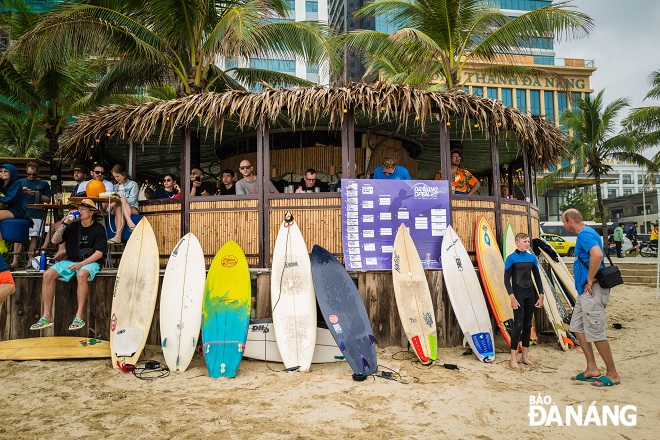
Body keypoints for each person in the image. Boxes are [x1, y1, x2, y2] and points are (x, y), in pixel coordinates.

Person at [562, 208, 621, 387]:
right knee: (577, 327)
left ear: (570, 221)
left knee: (596, 331)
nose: (564, 226)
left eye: (564, 222)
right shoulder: (589, 232)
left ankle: (612, 374)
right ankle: (592, 368)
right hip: (584, 292)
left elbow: (597, 254)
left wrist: (589, 277)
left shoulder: (584, 234)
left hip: (591, 291)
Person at [29, 198, 107, 331]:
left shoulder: (98, 229)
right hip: (71, 261)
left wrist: (81, 264)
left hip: (91, 261)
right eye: (78, 209)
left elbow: (99, 254)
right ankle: (47, 316)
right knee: (48, 274)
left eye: (83, 208)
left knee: (82, 274)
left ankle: (79, 316)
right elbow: (55, 240)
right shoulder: (72, 226)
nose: (79, 211)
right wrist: (65, 223)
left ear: (92, 212)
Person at [503, 232, 544, 369]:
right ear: (517, 242)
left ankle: (525, 356)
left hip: (530, 294)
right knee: (518, 324)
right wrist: (512, 296)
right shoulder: (511, 258)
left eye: (528, 241)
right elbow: (506, 279)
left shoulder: (532, 258)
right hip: (518, 295)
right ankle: (513, 358)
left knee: (527, 325)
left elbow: (537, 278)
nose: (527, 244)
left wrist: (541, 294)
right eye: (525, 241)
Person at [43, 166, 88, 261]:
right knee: (53, 226)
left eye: (79, 172)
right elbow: (69, 203)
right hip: (73, 214)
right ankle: (44, 250)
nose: (76, 174)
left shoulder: (86, 185)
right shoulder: (77, 187)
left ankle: (61, 250)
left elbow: (79, 203)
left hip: (81, 215)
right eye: (75, 172)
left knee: (59, 225)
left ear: (85, 175)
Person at [12, 162, 52, 268]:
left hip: (36, 213)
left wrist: (37, 194)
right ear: (26, 171)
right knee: (18, 237)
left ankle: (30, 261)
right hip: (22, 212)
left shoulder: (43, 183)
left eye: (33, 174)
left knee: (34, 237)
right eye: (29, 174)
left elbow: (48, 200)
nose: (31, 176)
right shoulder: (20, 182)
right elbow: (13, 197)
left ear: (38, 172)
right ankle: (15, 261)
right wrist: (22, 192)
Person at [107, 164, 140, 245]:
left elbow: (132, 200)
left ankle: (117, 237)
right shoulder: (114, 187)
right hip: (115, 208)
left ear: (124, 174)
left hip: (131, 208)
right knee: (120, 202)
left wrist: (120, 200)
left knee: (121, 202)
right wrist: (116, 201)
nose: (116, 179)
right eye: (115, 177)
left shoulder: (133, 184)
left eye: (118, 176)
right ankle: (130, 223)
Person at [0, 164, 27, 254]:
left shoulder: (16, 183)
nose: (3, 173)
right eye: (1, 171)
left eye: (6, 171)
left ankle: (1, 245)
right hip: (4, 209)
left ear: (11, 172)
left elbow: (9, 199)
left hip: (16, 210)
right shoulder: (1, 183)